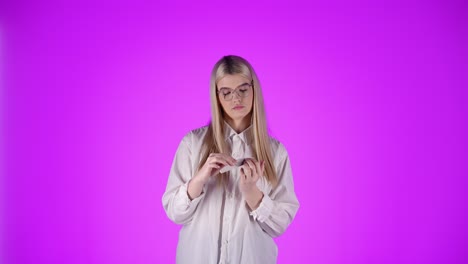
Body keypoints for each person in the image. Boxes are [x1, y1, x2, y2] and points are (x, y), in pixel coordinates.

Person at [162, 55, 299, 264]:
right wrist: (199, 179)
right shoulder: (192, 144)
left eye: (243, 89)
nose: (236, 99)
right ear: (216, 96)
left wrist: (252, 193)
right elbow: (174, 212)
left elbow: (280, 225)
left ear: (254, 89)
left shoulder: (275, 153)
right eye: (226, 93)